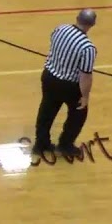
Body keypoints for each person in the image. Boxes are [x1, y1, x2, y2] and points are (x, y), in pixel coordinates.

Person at [31, 10, 99, 157]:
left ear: (77, 18)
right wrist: (85, 96)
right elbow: (85, 76)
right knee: (78, 115)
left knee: (46, 110)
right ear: (92, 25)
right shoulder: (88, 47)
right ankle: (65, 145)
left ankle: (41, 144)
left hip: (49, 76)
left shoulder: (60, 29)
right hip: (69, 85)